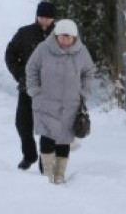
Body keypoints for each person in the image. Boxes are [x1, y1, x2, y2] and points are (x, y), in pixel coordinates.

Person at [25, 18, 94, 184]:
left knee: (64, 139)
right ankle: (47, 175)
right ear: (56, 35)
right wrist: (35, 91)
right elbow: (31, 68)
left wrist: (83, 93)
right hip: (46, 102)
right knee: (47, 137)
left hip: (71, 104)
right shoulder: (43, 49)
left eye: (70, 37)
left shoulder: (81, 51)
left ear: (74, 37)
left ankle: (60, 175)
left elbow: (89, 72)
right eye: (63, 36)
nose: (66, 40)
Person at [4, 1, 56, 171]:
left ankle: (45, 162)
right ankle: (29, 155)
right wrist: (21, 75)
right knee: (23, 124)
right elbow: (10, 54)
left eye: (48, 18)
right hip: (28, 87)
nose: (44, 21)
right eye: (41, 17)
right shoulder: (25, 33)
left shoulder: (61, 35)